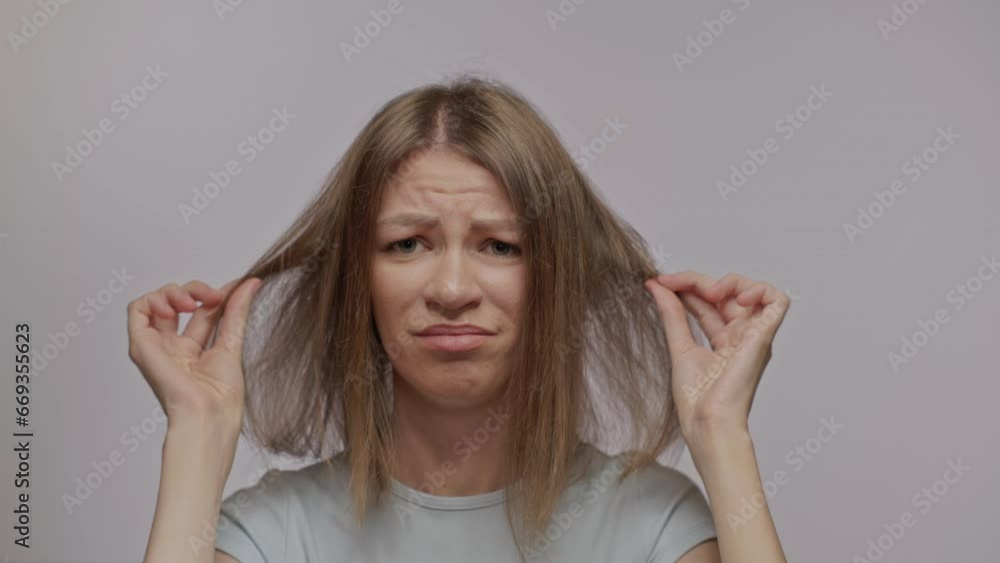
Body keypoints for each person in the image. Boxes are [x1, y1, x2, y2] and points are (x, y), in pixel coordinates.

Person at [129, 77, 791, 563]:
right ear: (359, 280)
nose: (451, 288)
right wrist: (197, 434)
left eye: (499, 245)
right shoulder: (273, 536)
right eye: (407, 244)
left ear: (553, 278)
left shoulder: (656, 525)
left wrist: (721, 433)